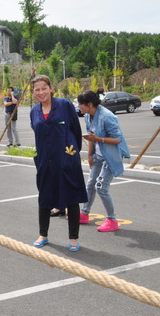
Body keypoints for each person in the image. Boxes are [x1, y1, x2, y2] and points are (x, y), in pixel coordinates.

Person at [30, 75, 87, 251]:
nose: (41, 92)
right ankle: (43, 235)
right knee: (45, 198)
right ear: (33, 92)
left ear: (51, 89)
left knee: (71, 198)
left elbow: (76, 130)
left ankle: (73, 239)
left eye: (44, 88)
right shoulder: (34, 111)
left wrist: (71, 154)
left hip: (66, 159)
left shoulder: (64, 104)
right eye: (37, 89)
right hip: (45, 161)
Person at [77, 90, 130, 233]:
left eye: (80, 104)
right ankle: (84, 213)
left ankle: (112, 220)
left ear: (89, 104)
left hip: (111, 156)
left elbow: (117, 139)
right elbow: (91, 136)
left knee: (101, 187)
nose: (78, 106)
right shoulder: (88, 116)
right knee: (90, 184)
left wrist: (98, 139)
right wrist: (90, 155)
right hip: (98, 156)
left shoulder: (107, 117)